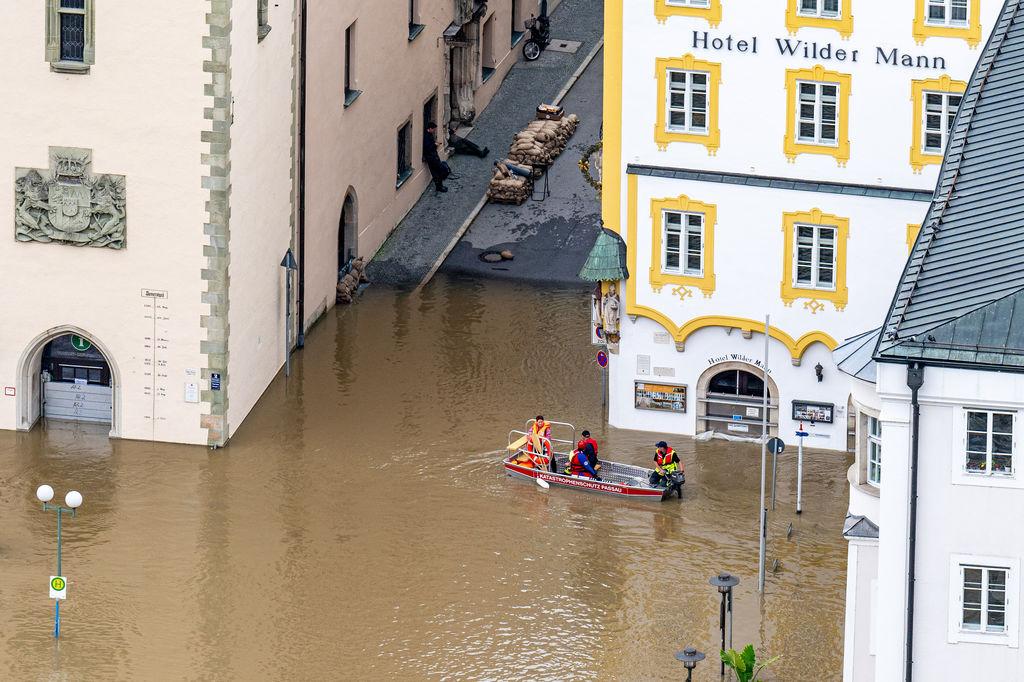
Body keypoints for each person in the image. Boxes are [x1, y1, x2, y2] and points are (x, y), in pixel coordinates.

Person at [423, 122, 450, 193]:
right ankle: (439, 186)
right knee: (437, 171)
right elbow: (428, 148)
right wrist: (435, 145)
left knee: (437, 171)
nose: (434, 131)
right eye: (434, 129)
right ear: (430, 129)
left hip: (433, 156)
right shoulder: (426, 137)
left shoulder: (428, 135)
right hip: (431, 157)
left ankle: (439, 186)